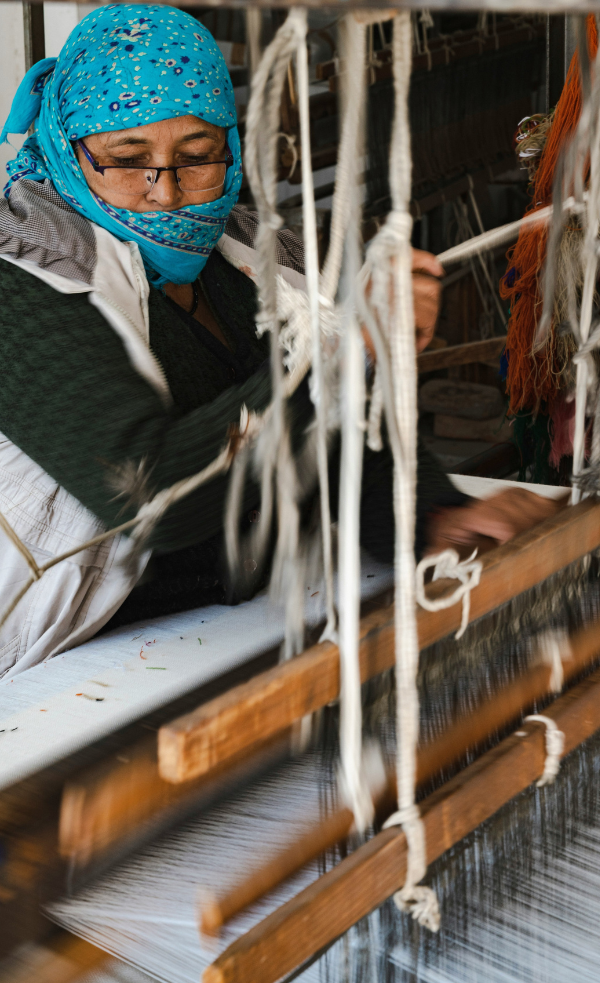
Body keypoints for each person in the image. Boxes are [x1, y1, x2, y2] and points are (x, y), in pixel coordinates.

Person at [0, 5, 555, 678]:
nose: (165, 193)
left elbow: (333, 437)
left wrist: (431, 517)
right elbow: (151, 495)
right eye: (127, 160)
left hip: (223, 628)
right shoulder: (22, 277)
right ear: (68, 145)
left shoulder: (249, 257)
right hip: (64, 667)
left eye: (198, 157)